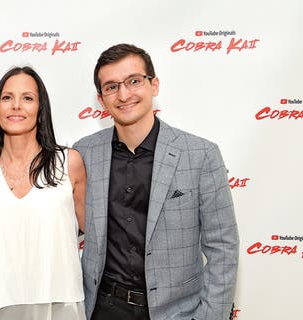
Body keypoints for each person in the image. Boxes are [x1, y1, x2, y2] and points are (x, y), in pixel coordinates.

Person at [73, 43, 239, 320]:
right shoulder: (83, 153)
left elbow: (223, 247)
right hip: (102, 309)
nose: (124, 94)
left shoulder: (200, 154)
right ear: (101, 100)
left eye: (134, 81)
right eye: (111, 87)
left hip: (178, 312)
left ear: (154, 85)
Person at [0, 66, 86, 320]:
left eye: (27, 98)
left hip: (60, 304)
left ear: (40, 108)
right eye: (7, 97)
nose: (16, 106)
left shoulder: (69, 163)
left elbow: (94, 234)